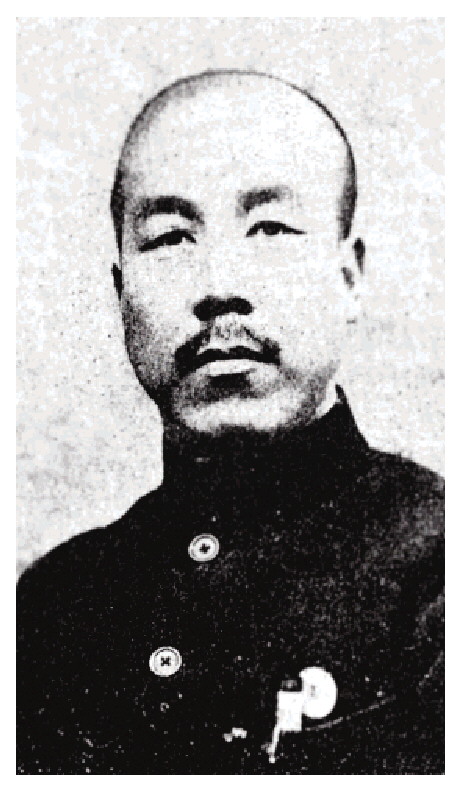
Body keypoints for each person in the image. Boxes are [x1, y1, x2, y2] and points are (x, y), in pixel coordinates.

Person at [17, 70, 444, 775]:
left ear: (349, 277)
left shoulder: (435, 566)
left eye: (270, 228)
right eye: (170, 238)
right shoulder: (53, 607)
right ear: (121, 294)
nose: (219, 287)